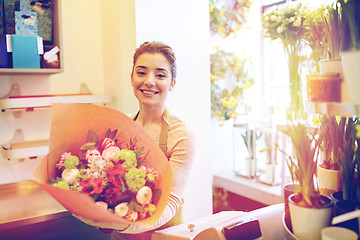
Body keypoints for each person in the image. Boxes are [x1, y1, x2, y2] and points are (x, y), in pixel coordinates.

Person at [76, 41, 196, 240]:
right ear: (132, 78)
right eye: (141, 72)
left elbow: (171, 202)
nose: (149, 81)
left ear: (172, 83)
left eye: (160, 75)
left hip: (166, 236)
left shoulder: (182, 134)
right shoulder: (117, 127)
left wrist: (121, 224)